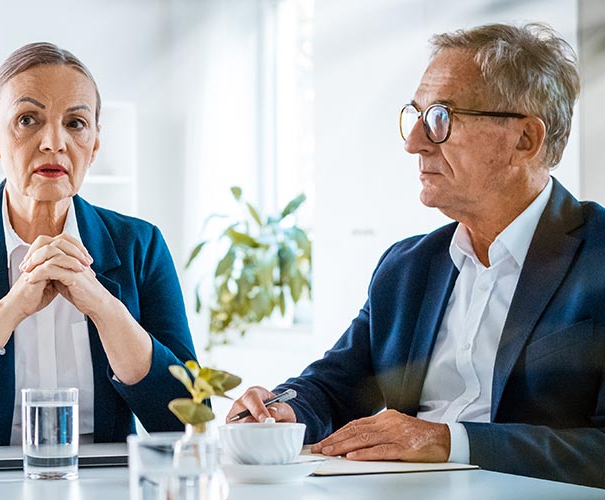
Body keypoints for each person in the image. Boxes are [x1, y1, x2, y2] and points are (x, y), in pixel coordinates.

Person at [228, 23, 604, 488]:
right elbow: (335, 383)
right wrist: (284, 408)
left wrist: (451, 442)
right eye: (416, 116)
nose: (414, 143)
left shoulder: (597, 256)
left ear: (524, 139)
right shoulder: (407, 266)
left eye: (441, 119)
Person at [0, 42, 198, 450]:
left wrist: (105, 307)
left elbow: (188, 418)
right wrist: (9, 310)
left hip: (107, 485)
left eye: (76, 123)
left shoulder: (140, 246)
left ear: (94, 144)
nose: (53, 142)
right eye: (28, 119)